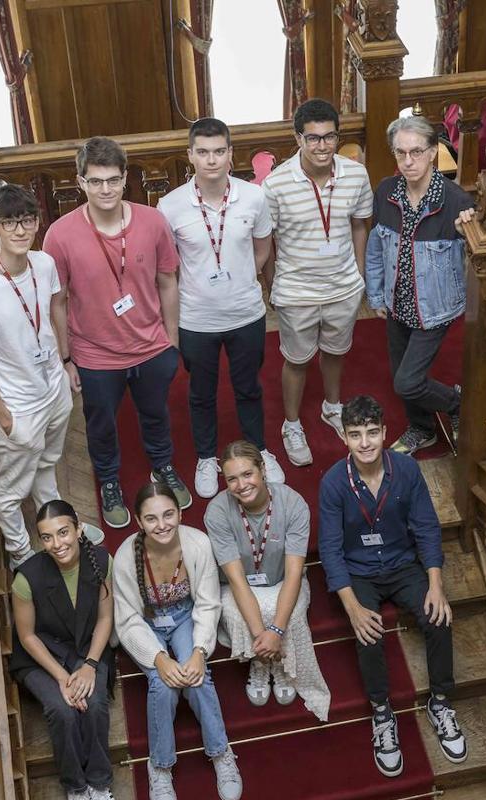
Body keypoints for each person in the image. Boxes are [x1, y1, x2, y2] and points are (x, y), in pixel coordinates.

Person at [45, 136, 192, 528]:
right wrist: (66, 357)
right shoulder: (59, 235)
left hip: (151, 347)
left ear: (125, 179)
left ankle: (162, 465)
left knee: (156, 415)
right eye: (95, 181)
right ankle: (109, 481)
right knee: (101, 425)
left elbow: (168, 281)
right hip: (95, 356)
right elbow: (56, 302)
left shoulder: (152, 221)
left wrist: (171, 340)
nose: (105, 189)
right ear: (81, 183)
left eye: (112, 180)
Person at [318, 395, 466, 777]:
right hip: (359, 572)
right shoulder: (333, 482)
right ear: (344, 439)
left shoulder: (407, 470)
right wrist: (351, 607)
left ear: (384, 433)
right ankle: (382, 713)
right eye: (355, 435)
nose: (365, 442)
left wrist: (435, 585)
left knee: (438, 618)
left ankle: (440, 702)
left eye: (371, 433)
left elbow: (428, 528)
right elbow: (331, 551)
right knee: (369, 632)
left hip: (402, 564)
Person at [158, 118, 286, 498]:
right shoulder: (170, 206)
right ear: (190, 156)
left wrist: (246, 279)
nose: (211, 160)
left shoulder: (254, 197)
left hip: (246, 312)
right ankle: (205, 458)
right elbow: (171, 265)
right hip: (197, 318)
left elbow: (263, 250)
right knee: (201, 392)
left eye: (218, 152)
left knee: (249, 388)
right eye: (203, 152)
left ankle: (259, 451)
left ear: (231, 155)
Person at [112, 481, 242, 800]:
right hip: (147, 624)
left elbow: (209, 604)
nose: (162, 524)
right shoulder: (127, 555)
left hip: (186, 616)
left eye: (169, 514)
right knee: (163, 683)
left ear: (181, 513)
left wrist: (199, 650)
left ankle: (220, 752)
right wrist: (158, 657)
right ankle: (160, 766)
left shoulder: (197, 544)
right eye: (152, 518)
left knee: (197, 676)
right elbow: (126, 618)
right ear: (139, 521)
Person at [0, 184, 74, 568]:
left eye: (27, 220)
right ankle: (22, 556)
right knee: (10, 492)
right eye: (9, 223)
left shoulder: (44, 264)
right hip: (19, 408)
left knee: (47, 468)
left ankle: (56, 537)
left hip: (54, 389)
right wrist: (7, 420)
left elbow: (55, 310)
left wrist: (64, 361)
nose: (20, 230)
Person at [262, 98, 374, 467]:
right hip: (297, 291)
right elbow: (266, 238)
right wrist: (273, 285)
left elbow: (360, 224)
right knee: (296, 360)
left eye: (329, 137)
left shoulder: (356, 175)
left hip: (343, 286)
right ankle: (292, 425)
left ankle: (332, 406)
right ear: (298, 139)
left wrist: (358, 274)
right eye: (313, 138)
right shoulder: (276, 185)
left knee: (336, 352)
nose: (323, 146)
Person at [366, 115, 477, 456]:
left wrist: (472, 230)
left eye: (416, 152)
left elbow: (476, 255)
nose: (408, 161)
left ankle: (456, 402)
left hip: (434, 307)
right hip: (396, 303)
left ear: (433, 152)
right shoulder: (386, 192)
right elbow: (375, 247)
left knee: (407, 381)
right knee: (403, 379)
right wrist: (375, 292)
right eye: (400, 153)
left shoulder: (456, 201)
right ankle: (422, 428)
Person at [204, 441, 330, 719]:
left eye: (247, 474)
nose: (241, 485)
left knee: (291, 613)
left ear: (262, 470)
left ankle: (283, 664)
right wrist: (263, 634)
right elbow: (236, 581)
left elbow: (295, 572)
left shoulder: (293, 503)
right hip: (241, 587)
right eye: (232, 479)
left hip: (284, 582)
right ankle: (261, 663)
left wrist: (277, 631)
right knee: (239, 616)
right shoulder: (217, 511)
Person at [10, 500, 116, 800]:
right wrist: (61, 677)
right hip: (42, 657)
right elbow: (27, 636)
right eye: (47, 537)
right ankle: (75, 786)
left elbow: (105, 618)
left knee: (96, 701)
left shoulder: (100, 560)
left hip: (86, 650)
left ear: (78, 529)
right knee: (62, 708)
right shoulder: (27, 577)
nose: (57, 544)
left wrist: (89, 666)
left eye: (63, 533)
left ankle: (99, 779)